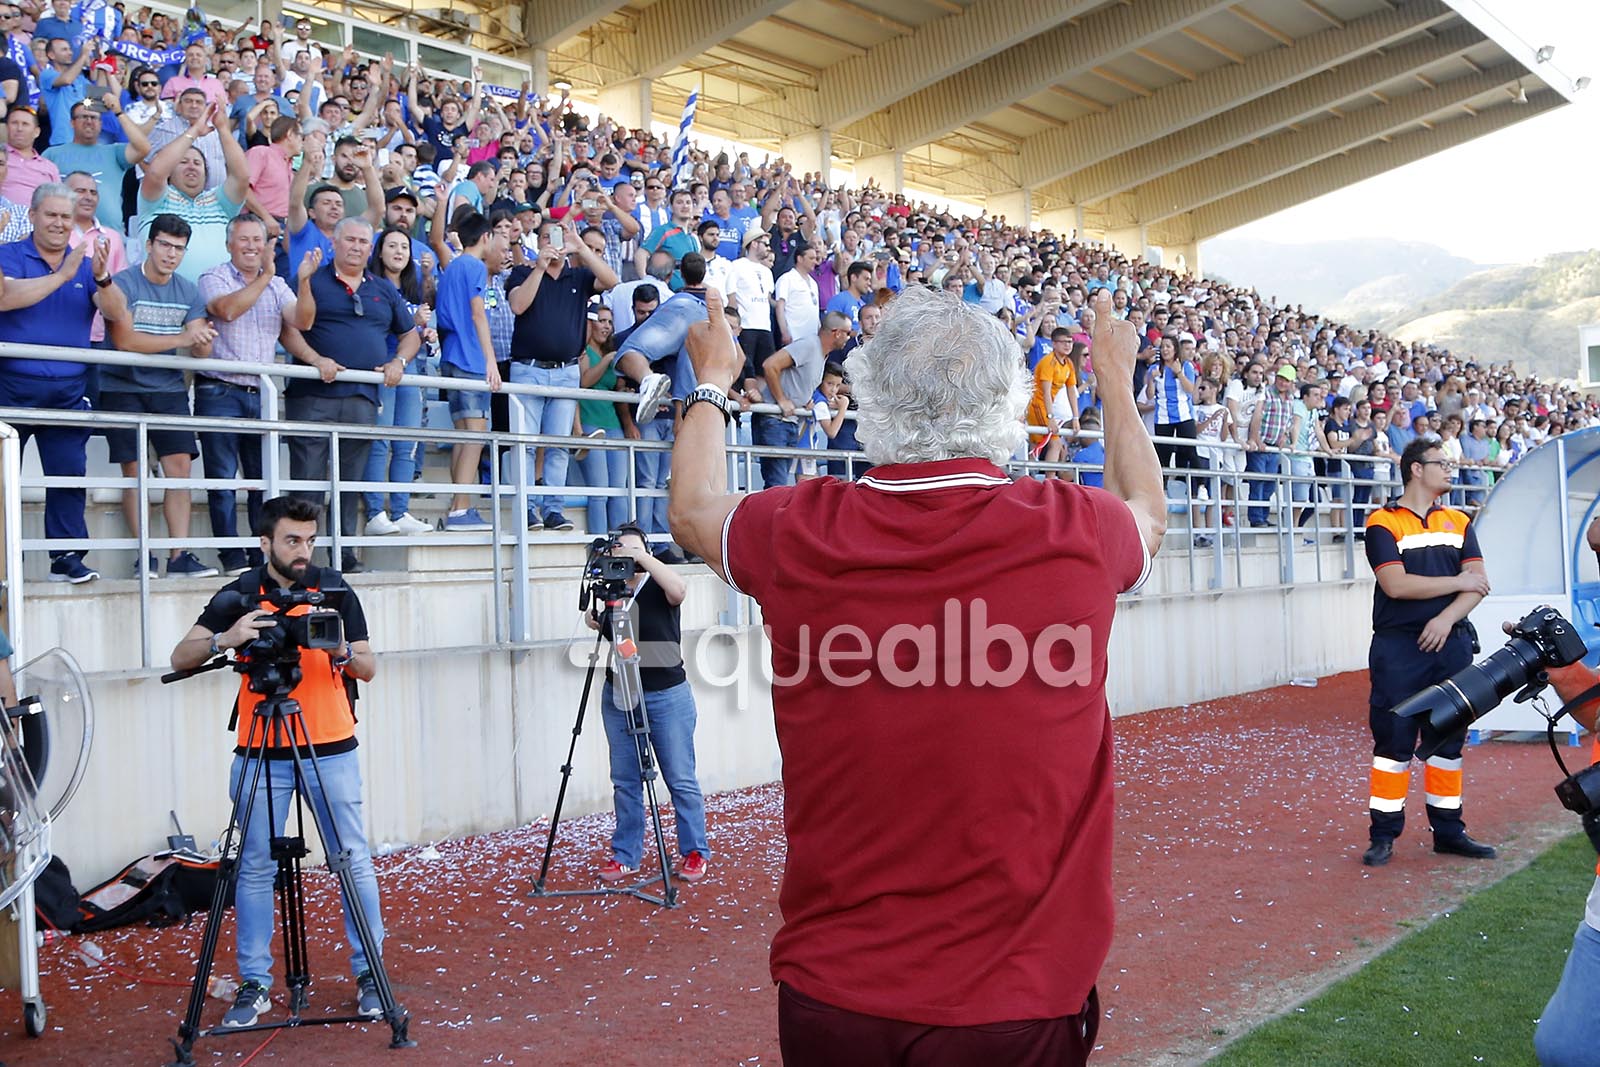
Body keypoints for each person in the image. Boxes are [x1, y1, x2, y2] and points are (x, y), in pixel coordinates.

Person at [667, 286, 1164, 1064]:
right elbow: (1148, 509)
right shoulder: (1078, 527)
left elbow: (692, 507)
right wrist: (1113, 381)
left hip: (834, 995)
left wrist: (713, 378)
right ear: (1005, 402)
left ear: (871, 393)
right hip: (1016, 1001)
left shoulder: (799, 525)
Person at [167, 496, 389, 1029]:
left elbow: (369, 667)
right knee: (256, 865)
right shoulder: (240, 593)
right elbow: (180, 657)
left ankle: (370, 974)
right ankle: (254, 982)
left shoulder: (334, 588)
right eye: (292, 540)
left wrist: (337, 648)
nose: (303, 551)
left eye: (310, 540)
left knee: (350, 857)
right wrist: (229, 636)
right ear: (265, 542)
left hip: (330, 743)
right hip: (260, 743)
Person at [1360, 437, 1494, 868]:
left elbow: (1480, 582)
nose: (1450, 469)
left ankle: (1449, 833)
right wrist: (1457, 585)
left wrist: (1445, 620)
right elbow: (1395, 585)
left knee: (1449, 745)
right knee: (1393, 746)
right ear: (1416, 469)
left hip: (1449, 643)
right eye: (1441, 463)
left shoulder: (1459, 519)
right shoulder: (1382, 521)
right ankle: (1383, 835)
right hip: (1399, 648)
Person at [280, 216, 420, 571]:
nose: (356, 247)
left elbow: (411, 334)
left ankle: (343, 554)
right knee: (308, 483)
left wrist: (398, 362)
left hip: (362, 398)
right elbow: (289, 328)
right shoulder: (313, 278)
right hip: (313, 395)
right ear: (334, 244)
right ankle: (301, 559)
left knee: (349, 484)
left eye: (363, 242)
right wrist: (314, 359)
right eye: (350, 240)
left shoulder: (382, 288)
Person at [0, 181, 123, 583]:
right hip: (10, 387)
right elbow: (6, 297)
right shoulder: (9, 254)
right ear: (32, 215)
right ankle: (4, 561)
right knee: (3, 479)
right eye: (50, 214)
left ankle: (66, 558)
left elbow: (117, 313)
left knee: (68, 476)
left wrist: (102, 279)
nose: (57, 223)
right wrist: (64, 274)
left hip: (68, 391)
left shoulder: (86, 264)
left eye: (65, 217)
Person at [583, 523, 709, 885]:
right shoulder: (613, 590)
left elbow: (679, 589)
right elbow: (615, 635)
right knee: (625, 779)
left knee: (679, 777)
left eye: (630, 548)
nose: (622, 555)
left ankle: (695, 850)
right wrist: (597, 620)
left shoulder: (658, 581)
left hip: (666, 694)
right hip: (621, 692)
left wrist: (641, 557)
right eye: (616, 549)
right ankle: (626, 854)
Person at [102, 212, 219, 579]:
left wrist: (201, 342)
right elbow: (124, 341)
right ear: (149, 245)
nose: (171, 254)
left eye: (179, 249)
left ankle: (178, 556)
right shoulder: (123, 283)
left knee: (179, 470)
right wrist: (184, 339)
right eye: (165, 245)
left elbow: (199, 345)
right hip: (121, 385)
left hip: (167, 388)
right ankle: (145, 556)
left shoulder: (187, 290)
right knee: (135, 471)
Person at [198, 214, 316, 574]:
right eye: (244, 240)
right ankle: (230, 557)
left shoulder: (279, 284)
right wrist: (265, 275)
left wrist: (306, 282)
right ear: (229, 244)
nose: (252, 247)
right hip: (219, 388)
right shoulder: (213, 277)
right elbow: (227, 310)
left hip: (260, 394)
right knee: (221, 481)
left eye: (259, 240)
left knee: (261, 484)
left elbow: (303, 320)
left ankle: (257, 558)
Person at [506, 214, 617, 532]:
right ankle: (526, 508)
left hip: (566, 372)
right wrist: (539, 267)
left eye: (556, 238)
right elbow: (518, 306)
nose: (551, 244)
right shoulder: (523, 271)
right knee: (525, 445)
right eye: (545, 237)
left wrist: (581, 246)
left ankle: (553, 509)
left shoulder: (579, 276)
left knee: (557, 446)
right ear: (536, 242)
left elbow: (611, 281)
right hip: (528, 370)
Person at [434, 210, 504, 532]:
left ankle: (457, 506)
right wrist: (490, 360)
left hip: (452, 357)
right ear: (486, 237)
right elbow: (478, 314)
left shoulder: (450, 268)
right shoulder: (474, 266)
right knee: (475, 436)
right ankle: (461, 509)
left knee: (464, 435)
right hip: (470, 359)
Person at [361, 224, 433, 537]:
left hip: (411, 370)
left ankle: (400, 511)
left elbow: (416, 336)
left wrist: (425, 333)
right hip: (381, 368)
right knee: (380, 443)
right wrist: (412, 323)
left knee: (407, 444)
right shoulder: (369, 286)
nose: (399, 252)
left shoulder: (414, 290)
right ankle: (376, 512)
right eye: (392, 246)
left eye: (404, 247)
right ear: (379, 251)